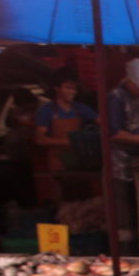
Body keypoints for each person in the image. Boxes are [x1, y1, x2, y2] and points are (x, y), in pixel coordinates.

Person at [109, 58, 139, 253]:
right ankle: (126, 252)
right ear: (130, 82)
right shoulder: (115, 98)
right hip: (120, 162)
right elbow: (114, 133)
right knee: (125, 213)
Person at [32, 68, 97, 202]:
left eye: (74, 88)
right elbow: (40, 139)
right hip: (58, 164)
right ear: (56, 88)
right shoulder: (46, 111)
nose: (72, 92)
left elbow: (104, 124)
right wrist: (70, 141)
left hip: (80, 164)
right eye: (68, 88)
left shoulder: (81, 108)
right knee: (63, 200)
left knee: (85, 199)